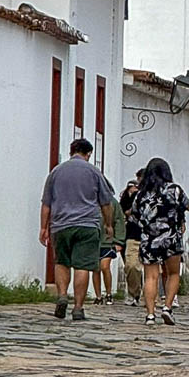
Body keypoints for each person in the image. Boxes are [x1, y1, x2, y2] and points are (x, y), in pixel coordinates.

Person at [40, 137, 114, 322]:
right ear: (88, 154)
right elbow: (106, 202)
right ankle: (78, 307)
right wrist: (108, 224)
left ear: (71, 150)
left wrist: (43, 227)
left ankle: (62, 295)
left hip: (61, 224)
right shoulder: (94, 172)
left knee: (62, 262)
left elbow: (46, 203)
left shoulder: (56, 172)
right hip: (87, 224)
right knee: (83, 266)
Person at [131, 157, 189, 326]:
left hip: (149, 239)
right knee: (173, 274)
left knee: (151, 277)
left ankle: (150, 315)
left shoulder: (140, 194)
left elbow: (134, 217)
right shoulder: (175, 190)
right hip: (171, 238)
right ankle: (167, 307)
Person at [119, 171, 144, 305]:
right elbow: (124, 210)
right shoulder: (134, 196)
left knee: (154, 269)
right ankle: (134, 293)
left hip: (151, 236)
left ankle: (152, 296)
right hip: (133, 234)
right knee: (131, 265)